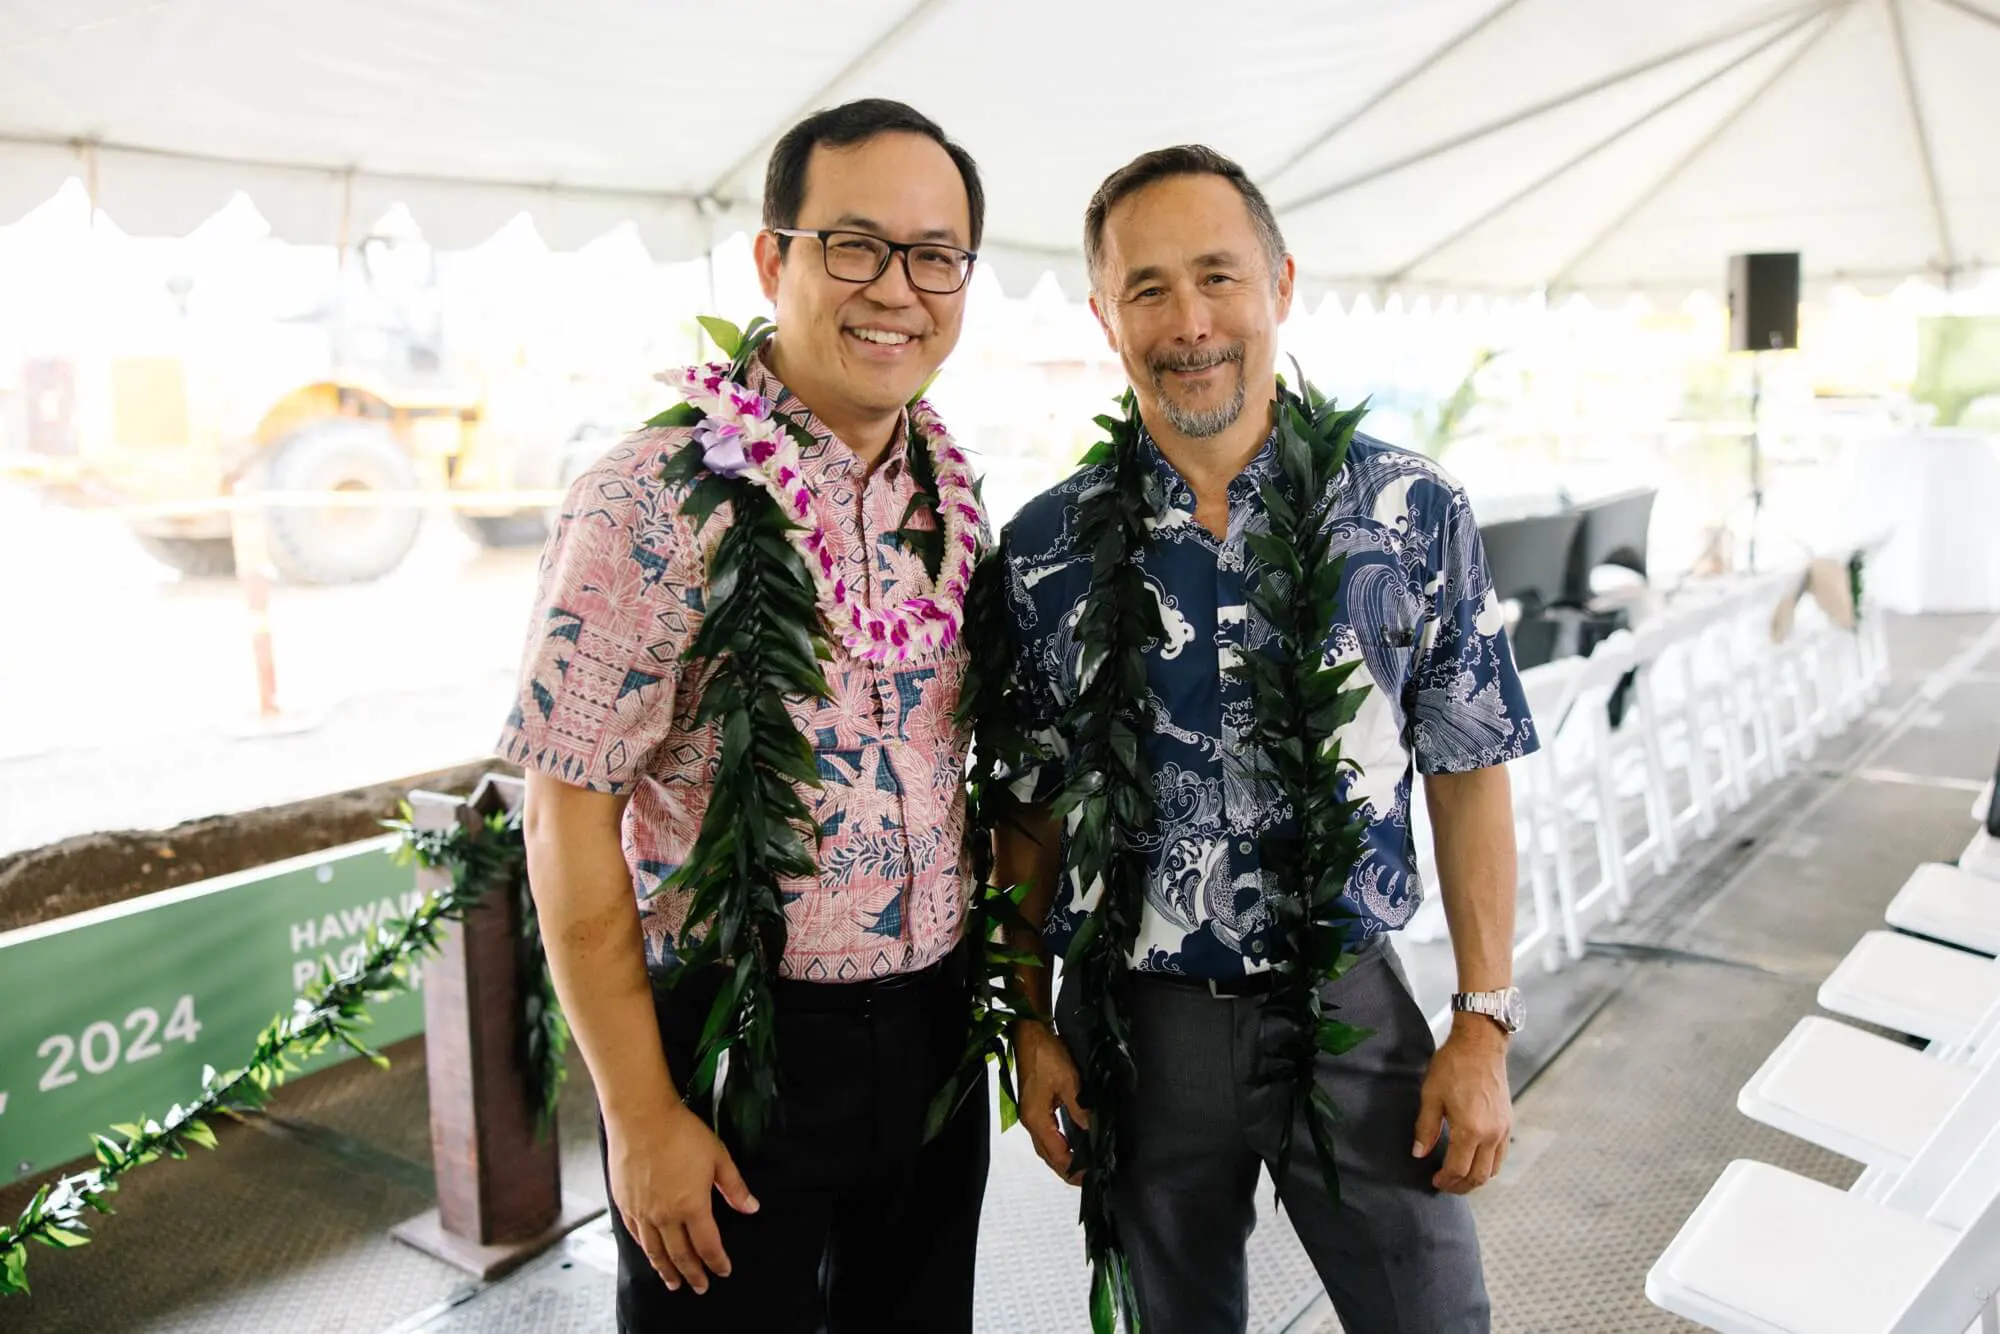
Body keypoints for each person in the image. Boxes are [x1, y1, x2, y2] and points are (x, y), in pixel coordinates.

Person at [993, 145, 1536, 1334]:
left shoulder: (1408, 511)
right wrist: (1026, 1022)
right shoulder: (1042, 548)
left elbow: (1468, 765)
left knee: (1433, 1317)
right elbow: (1025, 808)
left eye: (1217, 276)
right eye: (1146, 289)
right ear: (1103, 316)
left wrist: (1481, 1022)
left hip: (1350, 1004)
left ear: (1279, 283)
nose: (1189, 322)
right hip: (1136, 1029)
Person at [498, 98, 991, 1334]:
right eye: (855, 245)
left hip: (932, 1038)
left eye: (935, 255)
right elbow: (565, 820)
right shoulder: (647, 499)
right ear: (773, 259)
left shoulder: (949, 492)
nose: (897, 289)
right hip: (733, 1040)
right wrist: (638, 1114)